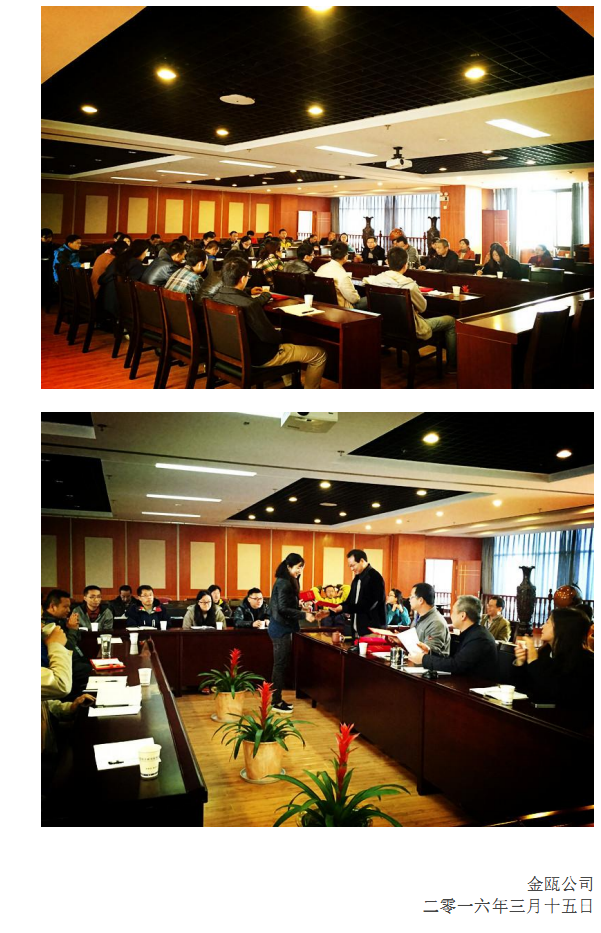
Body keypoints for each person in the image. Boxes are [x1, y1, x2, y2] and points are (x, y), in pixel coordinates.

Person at [211, 256, 327, 387]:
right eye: (248, 276)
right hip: (258, 358)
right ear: (243, 279)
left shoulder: (215, 297)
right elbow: (270, 337)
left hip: (229, 353)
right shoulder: (249, 304)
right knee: (319, 354)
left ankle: (291, 386)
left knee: (282, 340)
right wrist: (285, 334)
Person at [364, 246, 457, 370]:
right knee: (451, 321)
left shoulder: (376, 280)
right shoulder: (409, 285)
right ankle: (452, 366)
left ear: (388, 262)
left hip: (385, 327)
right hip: (408, 330)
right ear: (405, 265)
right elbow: (423, 307)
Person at [268, 553, 324, 711]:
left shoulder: (289, 579)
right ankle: (275, 702)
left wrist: (300, 606)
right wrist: (304, 615)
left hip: (283, 627)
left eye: (302, 568)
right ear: (288, 566)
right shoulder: (284, 582)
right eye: (298, 567)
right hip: (280, 628)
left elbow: (288, 603)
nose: (300, 570)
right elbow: (282, 609)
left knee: (281, 664)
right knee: (280, 665)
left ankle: (277, 699)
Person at [513, 608, 593, 709]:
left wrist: (533, 661)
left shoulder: (585, 662)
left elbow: (553, 693)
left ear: (562, 628)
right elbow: (521, 688)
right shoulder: (545, 652)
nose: (542, 626)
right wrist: (520, 662)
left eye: (548, 623)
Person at [407, 595, 499, 679]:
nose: (451, 615)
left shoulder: (479, 638)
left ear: (463, 616)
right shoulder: (470, 633)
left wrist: (423, 659)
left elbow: (456, 665)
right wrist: (429, 652)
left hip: (475, 687)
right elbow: (452, 659)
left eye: (453, 612)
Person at [42, 589, 92, 698]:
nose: (68, 610)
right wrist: (72, 629)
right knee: (89, 670)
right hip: (63, 667)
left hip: (73, 662)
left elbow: (77, 640)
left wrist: (74, 628)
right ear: (53, 606)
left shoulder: (61, 620)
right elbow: (67, 648)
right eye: (65, 607)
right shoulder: (48, 625)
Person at [332, 549, 386, 637]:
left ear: (361, 561)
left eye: (353, 565)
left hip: (372, 632)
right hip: (357, 632)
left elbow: (367, 605)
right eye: (350, 566)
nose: (351, 569)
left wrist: (343, 608)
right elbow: (349, 602)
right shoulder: (357, 579)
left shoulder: (375, 577)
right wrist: (331, 611)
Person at [389, 582, 450, 655]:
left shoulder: (436, 623)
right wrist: (402, 640)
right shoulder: (419, 617)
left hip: (424, 662)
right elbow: (415, 643)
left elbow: (428, 653)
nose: (409, 599)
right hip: (415, 659)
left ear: (420, 600)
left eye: (412, 597)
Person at [315, 240, 368, 309]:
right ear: (345, 256)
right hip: (342, 308)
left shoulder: (321, 268)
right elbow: (354, 299)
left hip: (323, 305)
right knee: (371, 299)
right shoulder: (342, 275)